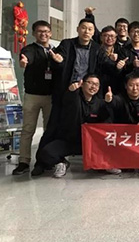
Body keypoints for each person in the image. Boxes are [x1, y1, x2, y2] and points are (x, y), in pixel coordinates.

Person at [33, 74, 111, 177]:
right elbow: (69, 100)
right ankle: (61, 163)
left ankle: (104, 165)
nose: (93, 87)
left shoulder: (100, 103)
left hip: (89, 143)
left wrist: (109, 103)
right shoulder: (74, 98)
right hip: (69, 140)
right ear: (82, 84)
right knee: (46, 152)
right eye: (90, 83)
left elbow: (107, 120)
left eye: (96, 84)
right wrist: (71, 91)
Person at [13, 21, 54, 175]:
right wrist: (24, 62)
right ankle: (24, 161)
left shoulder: (55, 50)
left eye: (46, 31)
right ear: (34, 34)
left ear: (50, 33)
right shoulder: (29, 49)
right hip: (32, 96)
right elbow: (26, 58)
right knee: (28, 129)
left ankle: (46, 160)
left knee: (49, 130)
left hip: (51, 96)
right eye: (39, 31)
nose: (43, 34)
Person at [105, 73, 139, 176]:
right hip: (124, 135)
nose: (135, 88)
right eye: (131, 85)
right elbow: (115, 102)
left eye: (137, 85)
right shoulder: (121, 98)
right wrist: (109, 100)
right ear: (125, 86)